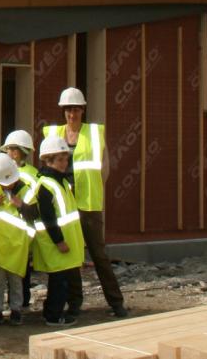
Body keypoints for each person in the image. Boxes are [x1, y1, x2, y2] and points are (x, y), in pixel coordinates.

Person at [43, 87, 126, 318]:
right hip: (65, 205)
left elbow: (104, 167)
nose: (72, 113)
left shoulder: (93, 133)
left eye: (76, 109)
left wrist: (94, 190)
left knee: (98, 254)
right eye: (68, 109)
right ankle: (74, 303)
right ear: (63, 111)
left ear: (83, 110)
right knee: (71, 257)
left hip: (88, 204)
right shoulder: (53, 134)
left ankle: (116, 302)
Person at [32, 136, 85, 327]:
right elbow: (48, 218)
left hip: (66, 243)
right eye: (60, 159)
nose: (64, 163)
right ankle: (53, 316)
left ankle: (56, 312)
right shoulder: (46, 185)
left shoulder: (61, 182)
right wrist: (59, 241)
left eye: (65, 159)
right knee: (59, 282)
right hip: (57, 244)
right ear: (48, 160)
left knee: (62, 281)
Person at [0, 153, 37, 327]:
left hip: (18, 247)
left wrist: (22, 206)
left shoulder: (25, 191)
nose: (8, 185)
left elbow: (35, 214)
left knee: (16, 282)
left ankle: (16, 311)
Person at [0, 130, 39, 308]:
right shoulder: (6, 172)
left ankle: (20, 302)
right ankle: (18, 302)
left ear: (17, 152)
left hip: (23, 229)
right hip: (9, 230)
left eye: (9, 150)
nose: (7, 154)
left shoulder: (29, 175)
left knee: (21, 268)